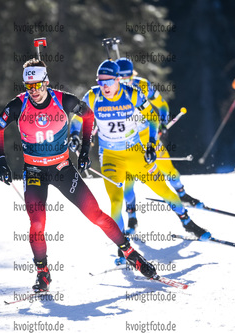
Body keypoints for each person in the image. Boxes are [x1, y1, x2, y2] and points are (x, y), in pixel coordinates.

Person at [0, 58, 157, 292]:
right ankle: (43, 273)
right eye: (29, 87)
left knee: (96, 215)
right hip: (34, 172)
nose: (34, 91)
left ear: (46, 82)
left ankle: (131, 254)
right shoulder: (18, 105)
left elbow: (88, 116)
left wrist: (84, 150)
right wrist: (1, 162)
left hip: (62, 170)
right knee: (37, 224)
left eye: (38, 85)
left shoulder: (63, 100)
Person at [69, 60, 210, 262]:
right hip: (110, 157)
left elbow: (152, 117)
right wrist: (75, 135)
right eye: (100, 82)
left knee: (162, 189)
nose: (105, 86)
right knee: (116, 201)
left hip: (136, 152)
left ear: (118, 79)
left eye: (108, 81)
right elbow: (77, 118)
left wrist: (151, 144)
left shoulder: (131, 94)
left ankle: (187, 222)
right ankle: (122, 246)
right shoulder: (93, 96)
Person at [115, 57, 203, 234]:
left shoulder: (143, 86)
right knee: (128, 183)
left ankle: (182, 195)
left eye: (129, 78)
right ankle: (132, 218)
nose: (126, 82)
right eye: (122, 79)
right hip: (129, 144)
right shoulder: (111, 94)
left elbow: (162, 105)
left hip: (149, 139)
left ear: (133, 76)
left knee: (169, 170)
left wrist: (162, 123)